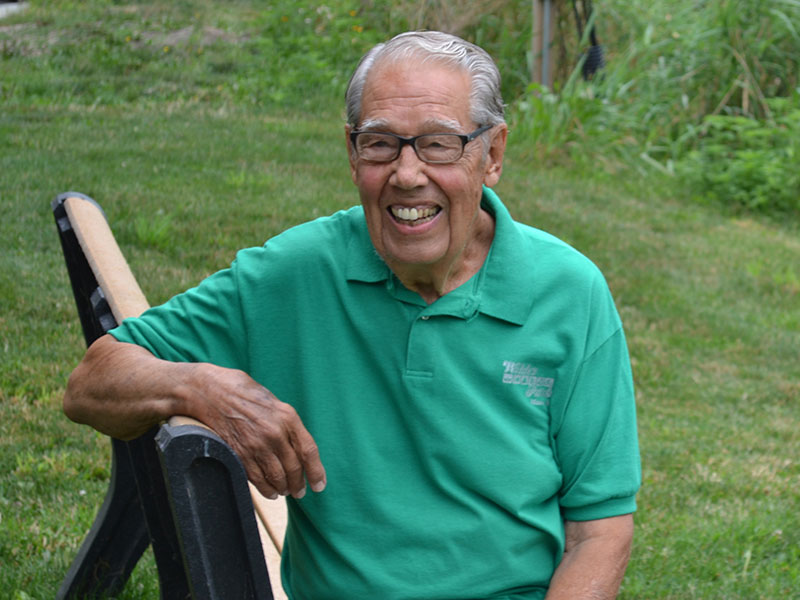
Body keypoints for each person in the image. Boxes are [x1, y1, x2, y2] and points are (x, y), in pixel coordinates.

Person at [64, 31, 641, 600]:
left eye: (439, 143)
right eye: (381, 143)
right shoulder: (297, 272)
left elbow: (599, 529)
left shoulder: (569, 293)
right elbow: (92, 383)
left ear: (491, 155)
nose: (407, 173)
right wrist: (203, 387)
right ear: (351, 151)